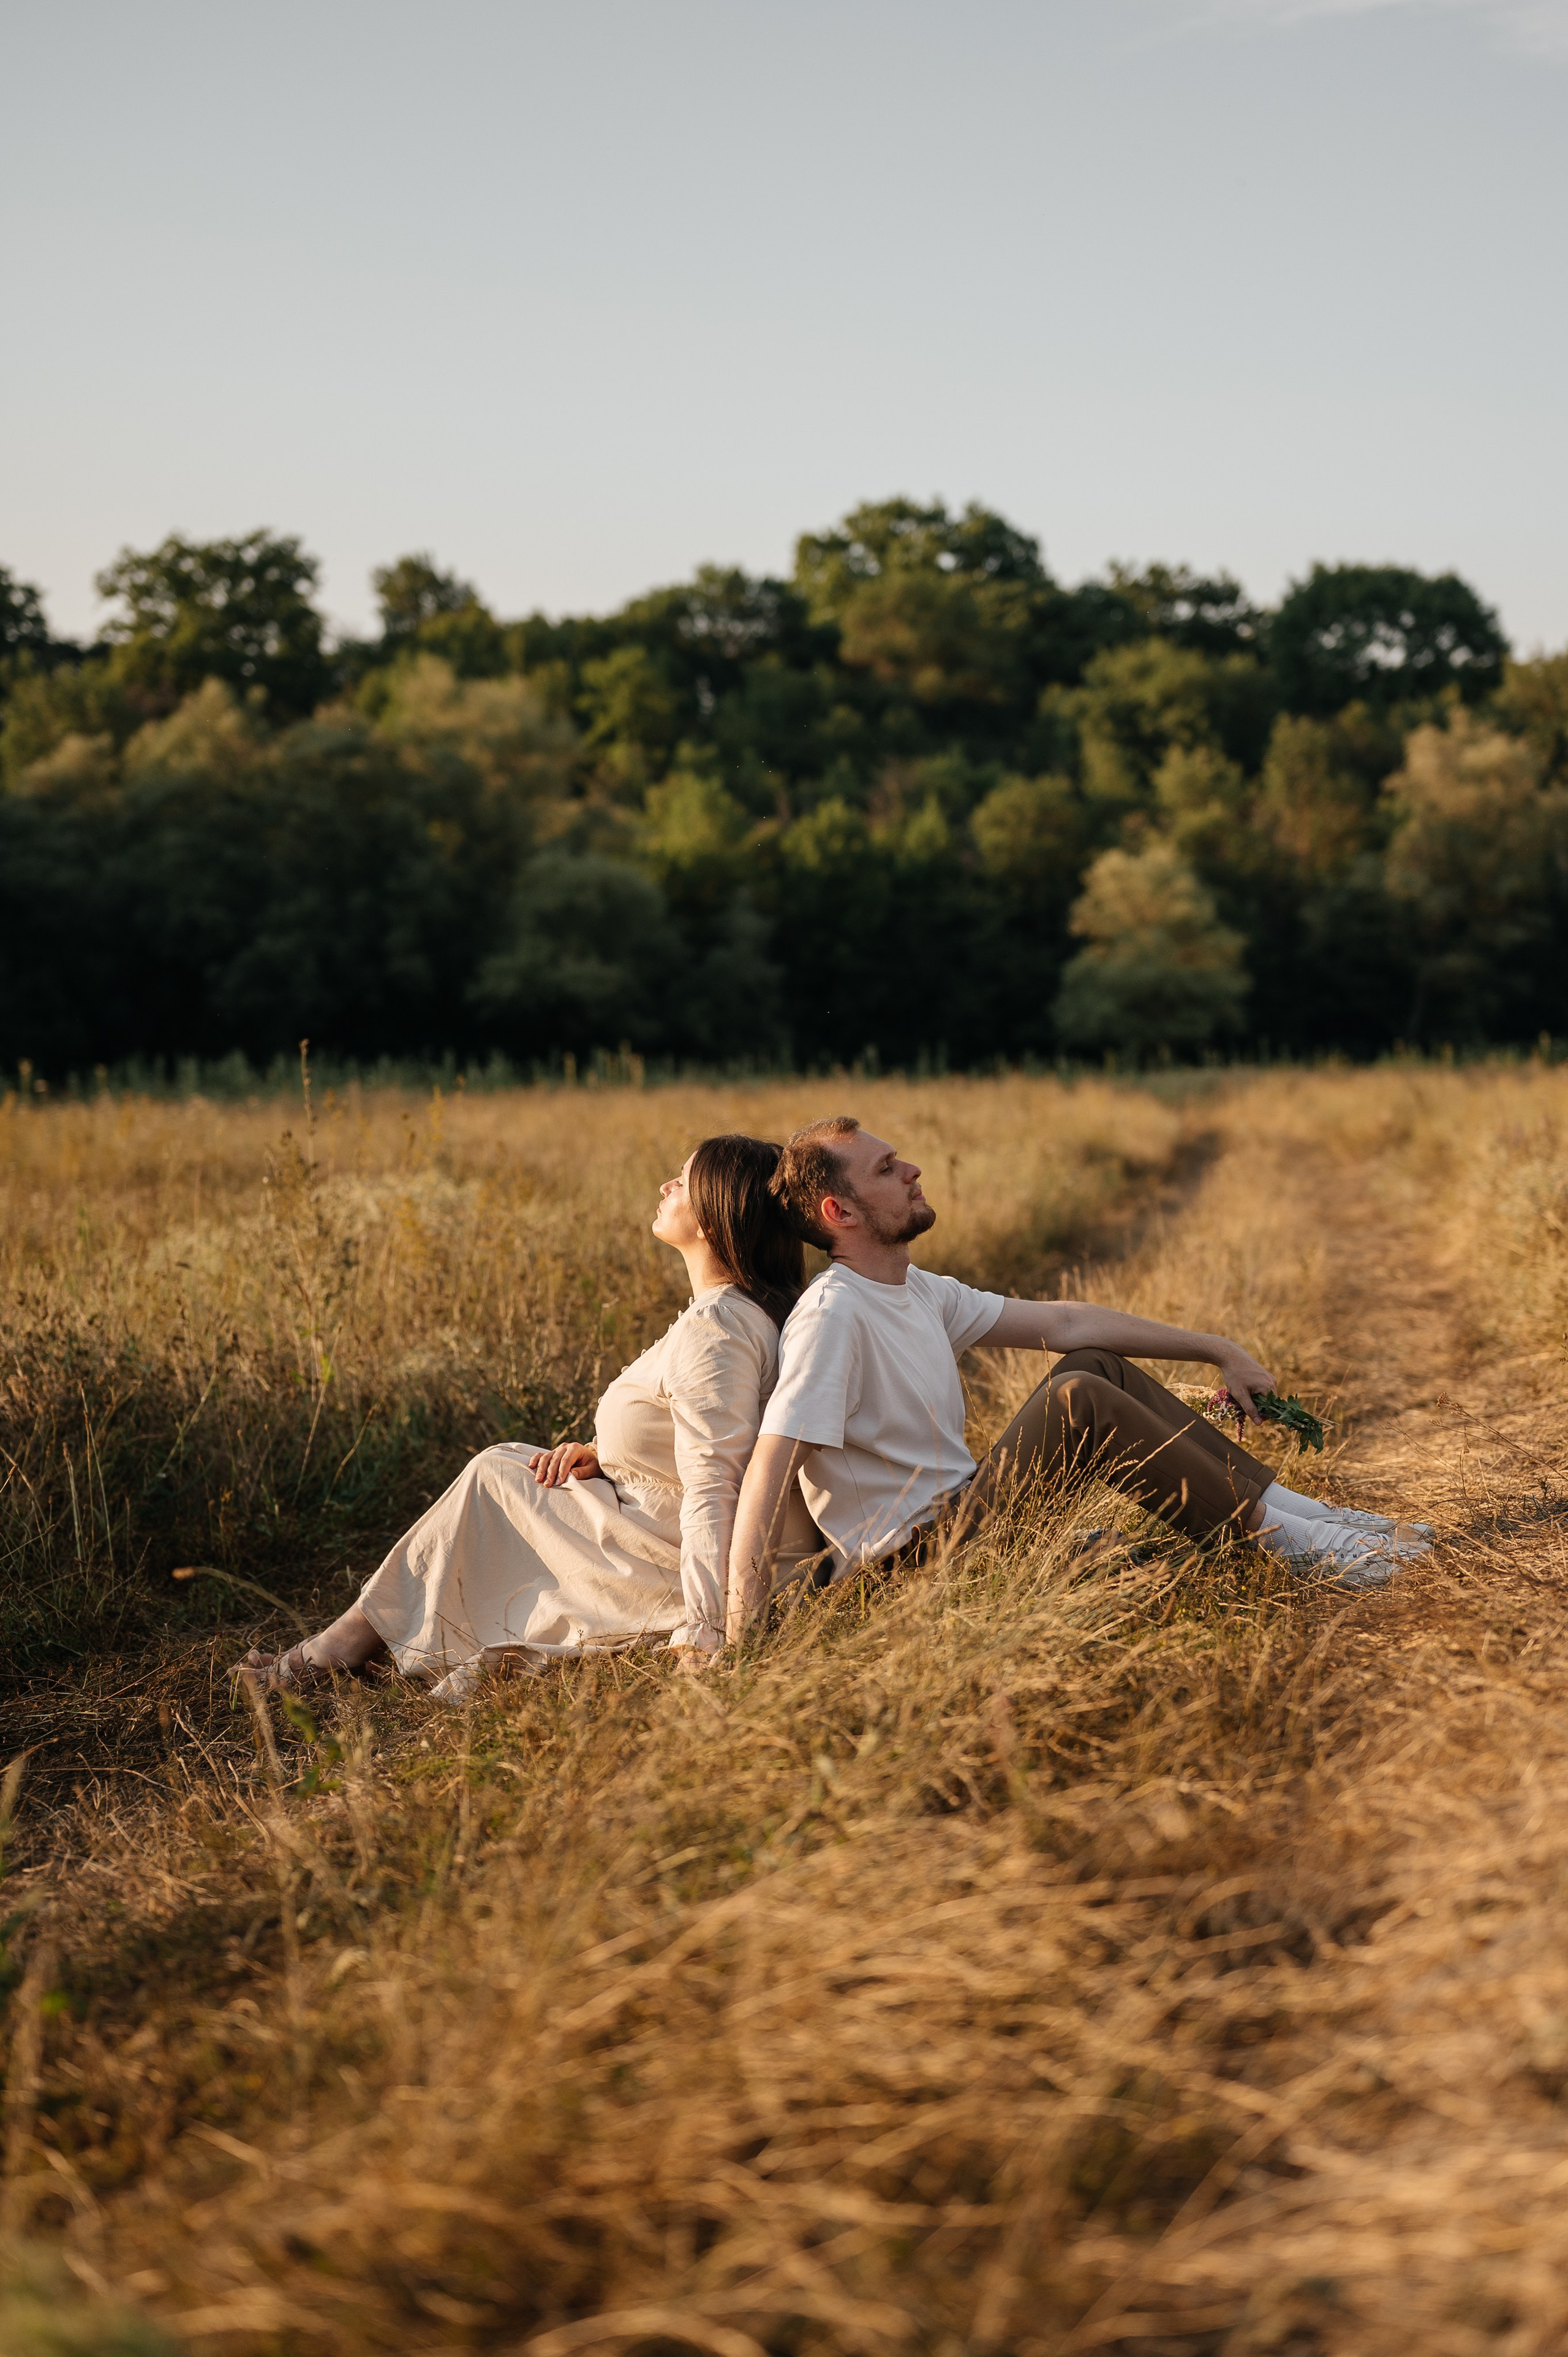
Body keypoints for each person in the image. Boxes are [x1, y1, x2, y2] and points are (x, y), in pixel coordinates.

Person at [726, 1116, 1431, 1640]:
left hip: (967, 1519)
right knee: (1079, 1398)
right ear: (838, 1212)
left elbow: (1066, 1324)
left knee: (1090, 1365)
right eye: (885, 1169)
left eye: (898, 1158)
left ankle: (1312, 1518)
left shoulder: (916, 1289)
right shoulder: (833, 1315)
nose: (911, 1169)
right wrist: (739, 1636)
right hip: (914, 1567)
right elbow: (769, 1466)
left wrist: (1217, 1348)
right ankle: (1291, 1545)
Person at [242, 1133, 819, 1699]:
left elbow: (717, 1486)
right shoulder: (747, 1313)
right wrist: (610, 1458)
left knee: (496, 1476)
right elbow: (715, 1440)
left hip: (676, 1561)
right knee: (508, 1469)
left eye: (684, 1182)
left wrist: (709, 1630)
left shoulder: (716, 1330)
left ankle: (337, 1649)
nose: (666, 1187)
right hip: (663, 1524)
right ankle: (363, 1640)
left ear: (713, 1222)